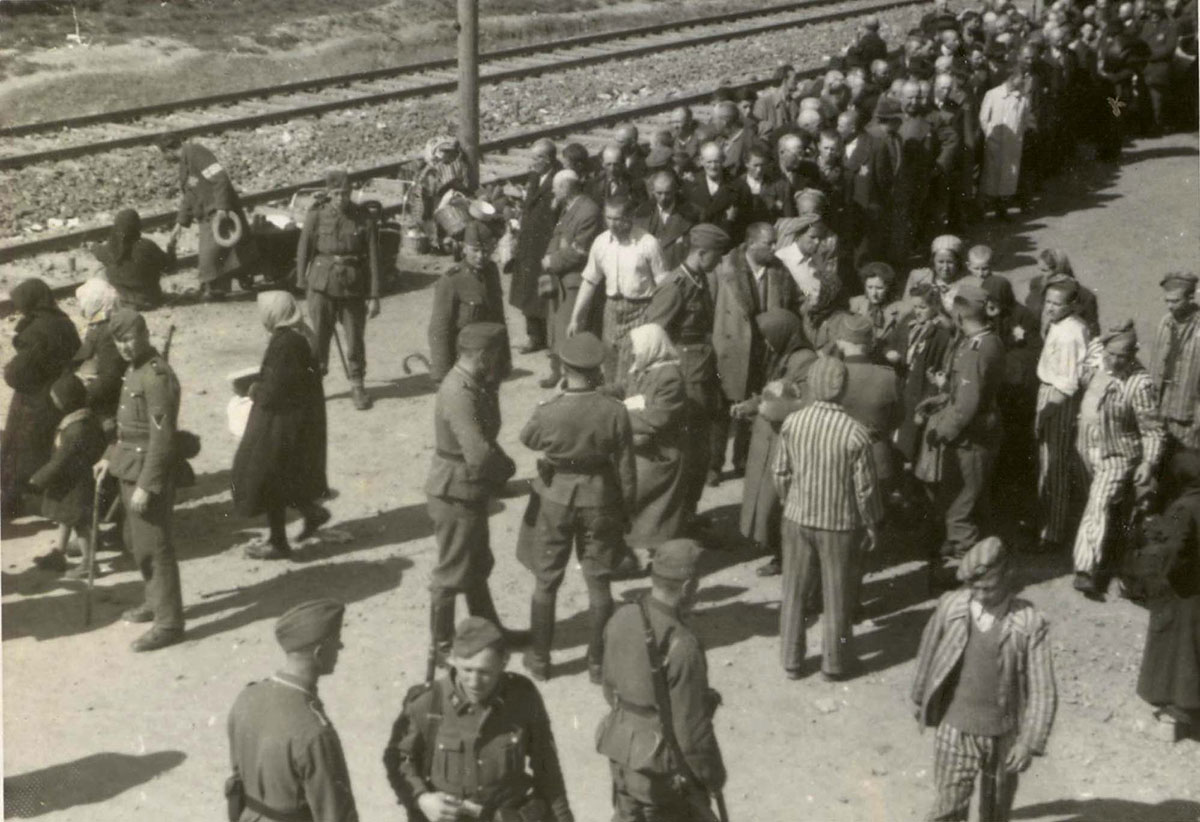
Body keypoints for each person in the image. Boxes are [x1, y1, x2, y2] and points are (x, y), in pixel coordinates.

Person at [518, 332, 637, 682]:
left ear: (565, 367)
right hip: (601, 498)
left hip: (555, 497)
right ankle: (597, 664)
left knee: (546, 579)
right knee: (599, 582)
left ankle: (540, 661)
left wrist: (554, 399)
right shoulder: (614, 411)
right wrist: (627, 511)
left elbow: (528, 439)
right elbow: (627, 469)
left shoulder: (550, 410)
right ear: (598, 369)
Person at [911, 537, 1057, 822]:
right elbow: (927, 653)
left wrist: (1028, 742)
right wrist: (919, 697)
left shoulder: (1028, 623)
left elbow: (1043, 690)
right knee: (948, 805)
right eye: (973, 587)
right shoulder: (952, 607)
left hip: (1003, 736)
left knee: (996, 808)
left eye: (987, 588)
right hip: (955, 729)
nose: (978, 594)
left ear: (1007, 577)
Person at [384, 616, 575, 822]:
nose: (474, 682)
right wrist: (422, 799)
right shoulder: (427, 703)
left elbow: (547, 765)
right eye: (467, 670)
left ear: (504, 662)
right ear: (452, 659)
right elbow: (399, 759)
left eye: (485, 672)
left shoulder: (522, 697)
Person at [597, 538, 726, 822]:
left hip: (620, 754)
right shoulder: (684, 644)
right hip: (661, 772)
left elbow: (610, 688)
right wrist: (713, 777)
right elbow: (690, 733)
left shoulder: (622, 616)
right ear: (688, 586)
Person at [773, 355, 883, 680]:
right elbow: (865, 489)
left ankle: (791, 660)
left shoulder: (793, 422)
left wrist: (788, 500)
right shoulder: (855, 433)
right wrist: (871, 521)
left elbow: (780, 472)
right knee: (837, 593)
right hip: (838, 524)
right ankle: (834, 664)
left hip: (796, 518)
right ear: (843, 387)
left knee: (794, 589)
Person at [425, 323, 522, 665]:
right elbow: (478, 455)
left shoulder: (474, 383)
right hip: (455, 489)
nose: (499, 362)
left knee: (476, 564)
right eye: (495, 355)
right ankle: (441, 647)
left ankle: (489, 633)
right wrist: (506, 469)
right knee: (451, 573)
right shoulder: (458, 391)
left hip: (468, 488)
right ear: (482, 356)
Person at [93, 308, 183, 652]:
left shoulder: (156, 376)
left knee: (155, 546)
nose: (125, 347)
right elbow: (125, 427)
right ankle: (154, 601)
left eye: (130, 338)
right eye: (119, 341)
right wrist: (108, 458)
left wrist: (148, 484)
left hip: (148, 470)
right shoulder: (134, 370)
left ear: (144, 334)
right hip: (128, 465)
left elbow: (162, 439)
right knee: (136, 540)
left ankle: (169, 622)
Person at [227, 599, 358, 822]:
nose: (341, 647)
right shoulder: (314, 731)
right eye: (336, 641)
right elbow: (335, 814)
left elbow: (238, 773)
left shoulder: (247, 697)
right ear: (319, 653)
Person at [232, 292, 331, 561]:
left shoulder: (285, 343)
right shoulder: (300, 334)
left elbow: (275, 389)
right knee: (286, 474)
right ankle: (311, 512)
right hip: (300, 419)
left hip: (282, 422)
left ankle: (278, 542)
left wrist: (253, 388)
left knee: (268, 476)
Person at [1072, 321, 1165, 598]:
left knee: (1098, 503)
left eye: (1121, 356)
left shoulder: (1139, 384)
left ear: (1133, 353)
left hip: (1118, 455)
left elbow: (1152, 430)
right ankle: (1111, 555)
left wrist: (1148, 462)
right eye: (1109, 354)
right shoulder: (1101, 367)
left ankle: (1085, 569)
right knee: (1103, 506)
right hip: (1090, 449)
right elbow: (1082, 373)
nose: (1113, 361)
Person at [645, 224, 731, 510]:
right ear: (702, 253)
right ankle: (681, 519)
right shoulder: (675, 286)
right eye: (717, 255)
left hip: (703, 371)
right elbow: (652, 334)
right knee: (689, 451)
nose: (720, 261)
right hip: (686, 377)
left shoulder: (699, 279)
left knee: (700, 450)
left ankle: (689, 515)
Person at [925, 284, 1006, 568]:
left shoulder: (975, 350)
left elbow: (966, 406)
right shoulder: (989, 340)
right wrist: (941, 397)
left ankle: (969, 571)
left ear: (959, 316)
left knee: (961, 508)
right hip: (980, 433)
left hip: (970, 440)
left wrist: (941, 432)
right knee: (971, 500)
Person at [711, 223, 799, 481]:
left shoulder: (780, 271)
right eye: (769, 243)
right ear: (751, 243)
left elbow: (794, 303)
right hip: (731, 346)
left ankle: (743, 460)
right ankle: (714, 465)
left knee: (755, 403)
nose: (775, 248)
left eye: (775, 243)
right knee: (723, 408)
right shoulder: (724, 268)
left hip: (764, 349)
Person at [740, 310, 818, 578]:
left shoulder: (805, 361)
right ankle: (775, 549)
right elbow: (769, 392)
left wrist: (765, 408)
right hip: (768, 436)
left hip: (784, 438)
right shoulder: (783, 355)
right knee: (765, 497)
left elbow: (802, 402)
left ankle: (785, 556)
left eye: (769, 337)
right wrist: (751, 405)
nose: (766, 343)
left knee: (778, 500)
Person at [298, 169, 382, 411]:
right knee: (319, 340)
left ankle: (357, 384)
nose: (341, 198)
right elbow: (304, 248)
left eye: (345, 193)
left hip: (353, 287)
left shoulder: (363, 218)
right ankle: (314, 386)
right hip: (321, 285)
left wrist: (374, 296)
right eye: (336, 193)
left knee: (355, 339)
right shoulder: (316, 215)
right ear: (328, 193)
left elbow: (374, 258)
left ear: (351, 192)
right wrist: (303, 286)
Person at [2, 279, 82, 522]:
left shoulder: (37, 331)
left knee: (21, 449)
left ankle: (14, 501)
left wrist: (10, 368)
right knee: (46, 447)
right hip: (60, 394)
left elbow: (15, 374)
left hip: (33, 400)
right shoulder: (64, 322)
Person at [1135, 449, 1200, 743]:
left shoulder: (1183, 507)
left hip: (1183, 593)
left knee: (1177, 651)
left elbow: (1173, 554)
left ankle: (1175, 715)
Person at [568, 195, 667, 382]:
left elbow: (664, 285)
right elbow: (589, 281)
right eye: (609, 218)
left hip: (641, 310)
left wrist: (658, 320)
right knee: (610, 365)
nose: (612, 224)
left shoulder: (648, 243)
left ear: (630, 217)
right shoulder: (601, 243)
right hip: (612, 311)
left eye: (618, 219)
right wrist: (575, 318)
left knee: (633, 367)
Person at [615, 324, 689, 554]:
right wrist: (601, 393)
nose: (634, 353)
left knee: (648, 503)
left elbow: (659, 418)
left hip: (661, 451)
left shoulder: (670, 378)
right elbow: (625, 389)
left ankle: (659, 551)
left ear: (651, 346)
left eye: (637, 347)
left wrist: (619, 415)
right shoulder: (645, 367)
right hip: (641, 445)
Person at [27, 374, 107, 577]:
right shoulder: (84, 419)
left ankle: (90, 563)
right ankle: (59, 553)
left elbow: (60, 461)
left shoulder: (76, 430)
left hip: (75, 485)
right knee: (66, 518)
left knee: (79, 523)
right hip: (71, 483)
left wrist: (38, 479)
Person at [158, 137, 257, 299]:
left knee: (210, 255)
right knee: (217, 253)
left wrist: (222, 208)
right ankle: (219, 285)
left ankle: (214, 288)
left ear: (168, 151)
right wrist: (180, 223)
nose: (163, 159)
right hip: (206, 214)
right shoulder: (185, 163)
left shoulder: (197, 153)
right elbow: (190, 194)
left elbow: (220, 178)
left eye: (162, 154)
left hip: (218, 213)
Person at [1034, 280, 1092, 552]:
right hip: (1050, 391)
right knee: (1050, 461)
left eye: (1057, 304)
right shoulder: (1063, 324)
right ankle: (1048, 525)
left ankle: (1053, 533)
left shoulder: (1071, 333)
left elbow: (1067, 382)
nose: (1050, 308)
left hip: (1058, 398)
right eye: (1048, 302)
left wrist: (1047, 414)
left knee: (1054, 465)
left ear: (1073, 305)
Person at [429, 219, 510, 385]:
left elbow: (499, 319)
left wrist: (505, 359)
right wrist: (442, 375)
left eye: (486, 250)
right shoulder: (452, 279)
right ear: (464, 248)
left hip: (489, 362)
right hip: (463, 366)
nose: (481, 256)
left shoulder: (492, 272)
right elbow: (439, 329)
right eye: (475, 250)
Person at [540, 170, 602, 388]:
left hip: (575, 279)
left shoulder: (588, 211)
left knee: (570, 328)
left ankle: (572, 376)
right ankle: (557, 370)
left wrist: (552, 261)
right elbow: (557, 237)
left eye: (556, 188)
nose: (553, 192)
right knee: (555, 327)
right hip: (558, 279)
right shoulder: (568, 208)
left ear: (566, 188)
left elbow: (580, 249)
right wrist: (548, 258)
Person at [510, 139, 561, 354]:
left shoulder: (558, 179)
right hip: (528, 243)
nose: (532, 162)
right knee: (528, 291)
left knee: (546, 292)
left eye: (535, 158)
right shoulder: (535, 176)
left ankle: (551, 340)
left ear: (547, 160)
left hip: (545, 244)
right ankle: (534, 336)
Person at [1149, 272, 1200, 452]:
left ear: (1191, 297)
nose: (1170, 306)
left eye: (1175, 301)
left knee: (1188, 469)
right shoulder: (1165, 323)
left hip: (1188, 416)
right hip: (1161, 410)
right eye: (1167, 301)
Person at [979, 62, 1035, 219]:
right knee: (991, 174)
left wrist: (1017, 136)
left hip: (1012, 144)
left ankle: (1002, 208)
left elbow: (1024, 120)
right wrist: (990, 135)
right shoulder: (993, 94)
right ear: (1012, 78)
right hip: (994, 142)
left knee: (1008, 176)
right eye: (1021, 78)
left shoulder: (1022, 99)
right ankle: (986, 205)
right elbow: (984, 118)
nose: (1023, 81)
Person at [71, 278, 127, 432]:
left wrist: (85, 394)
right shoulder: (100, 323)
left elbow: (110, 376)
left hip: (108, 394)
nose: (80, 306)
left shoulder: (106, 331)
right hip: (103, 382)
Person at [92, 208, 171, 309]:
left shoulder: (113, 248)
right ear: (137, 226)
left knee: (101, 269)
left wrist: (93, 246)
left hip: (122, 301)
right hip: (150, 300)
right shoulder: (147, 246)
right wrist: (171, 248)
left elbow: (100, 253)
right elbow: (169, 266)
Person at [1025, 248, 1101, 337]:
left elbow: (1092, 330)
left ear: (1059, 269)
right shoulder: (1036, 283)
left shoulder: (1084, 296)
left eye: (1045, 271)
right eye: (1040, 270)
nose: (1043, 276)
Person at [634, 171, 697, 271]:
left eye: (667, 193)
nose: (663, 198)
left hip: (677, 274)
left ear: (675, 191)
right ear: (652, 191)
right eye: (659, 193)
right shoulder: (641, 214)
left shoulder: (692, 215)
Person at [849, 261, 908, 364]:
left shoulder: (901, 310)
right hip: (861, 362)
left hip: (886, 365)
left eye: (879, 288)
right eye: (869, 287)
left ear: (888, 287)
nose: (873, 293)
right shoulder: (855, 304)